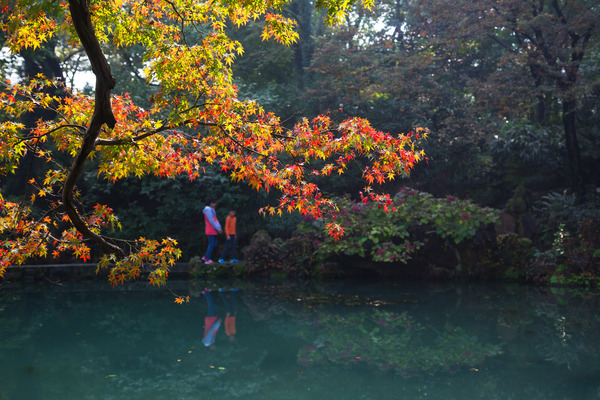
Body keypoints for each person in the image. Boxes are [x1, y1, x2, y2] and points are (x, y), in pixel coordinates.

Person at [202, 198, 222, 264]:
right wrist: (217, 228)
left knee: (215, 244)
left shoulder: (212, 209)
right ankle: (207, 259)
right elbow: (211, 221)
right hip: (210, 229)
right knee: (211, 244)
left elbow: (215, 219)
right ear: (211, 203)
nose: (216, 204)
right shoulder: (208, 210)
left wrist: (219, 227)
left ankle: (206, 256)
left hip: (214, 230)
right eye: (215, 203)